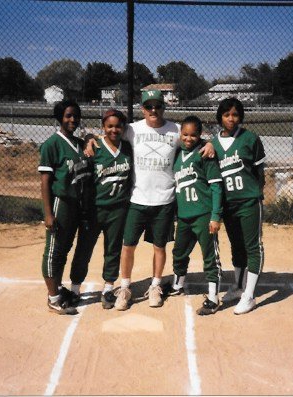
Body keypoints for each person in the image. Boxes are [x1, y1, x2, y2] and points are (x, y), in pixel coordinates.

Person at [87, 89, 214, 311]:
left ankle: (156, 285)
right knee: (128, 245)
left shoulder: (175, 130)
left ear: (164, 107)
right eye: (149, 107)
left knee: (159, 246)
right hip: (137, 199)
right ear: (142, 109)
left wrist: (209, 143)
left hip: (164, 200)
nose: (153, 110)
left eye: (158, 106)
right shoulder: (132, 129)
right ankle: (125, 287)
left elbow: (191, 137)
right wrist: (91, 140)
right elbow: (109, 133)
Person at [73, 109, 133, 309]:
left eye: (118, 126)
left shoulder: (128, 148)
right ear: (103, 128)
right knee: (84, 248)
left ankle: (108, 288)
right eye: (110, 126)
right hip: (95, 209)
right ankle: (74, 288)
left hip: (118, 208)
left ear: (123, 128)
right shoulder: (96, 147)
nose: (114, 130)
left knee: (113, 248)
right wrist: (88, 139)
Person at [212, 97, 266, 315]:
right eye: (226, 114)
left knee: (253, 246)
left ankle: (249, 295)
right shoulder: (213, 143)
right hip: (228, 204)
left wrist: (255, 194)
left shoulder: (250, 139)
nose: (231, 118)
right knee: (236, 245)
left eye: (235, 114)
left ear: (240, 116)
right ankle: (237, 285)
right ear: (220, 117)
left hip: (249, 201)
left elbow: (260, 174)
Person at [38, 99, 91, 315]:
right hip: (61, 203)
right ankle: (53, 299)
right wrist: (48, 214)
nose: (73, 119)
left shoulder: (79, 143)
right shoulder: (51, 144)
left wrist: (89, 139)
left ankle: (59, 290)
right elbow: (44, 182)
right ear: (60, 117)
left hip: (77, 205)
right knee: (54, 251)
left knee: (65, 249)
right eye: (68, 115)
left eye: (76, 116)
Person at [170, 115, 223, 315]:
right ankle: (177, 285)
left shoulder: (204, 154)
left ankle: (213, 297)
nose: (189, 138)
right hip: (184, 215)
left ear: (200, 135)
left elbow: (216, 186)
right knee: (179, 252)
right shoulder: (176, 154)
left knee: (209, 256)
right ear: (180, 134)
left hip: (203, 213)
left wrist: (215, 215)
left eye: (193, 135)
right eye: (185, 134)